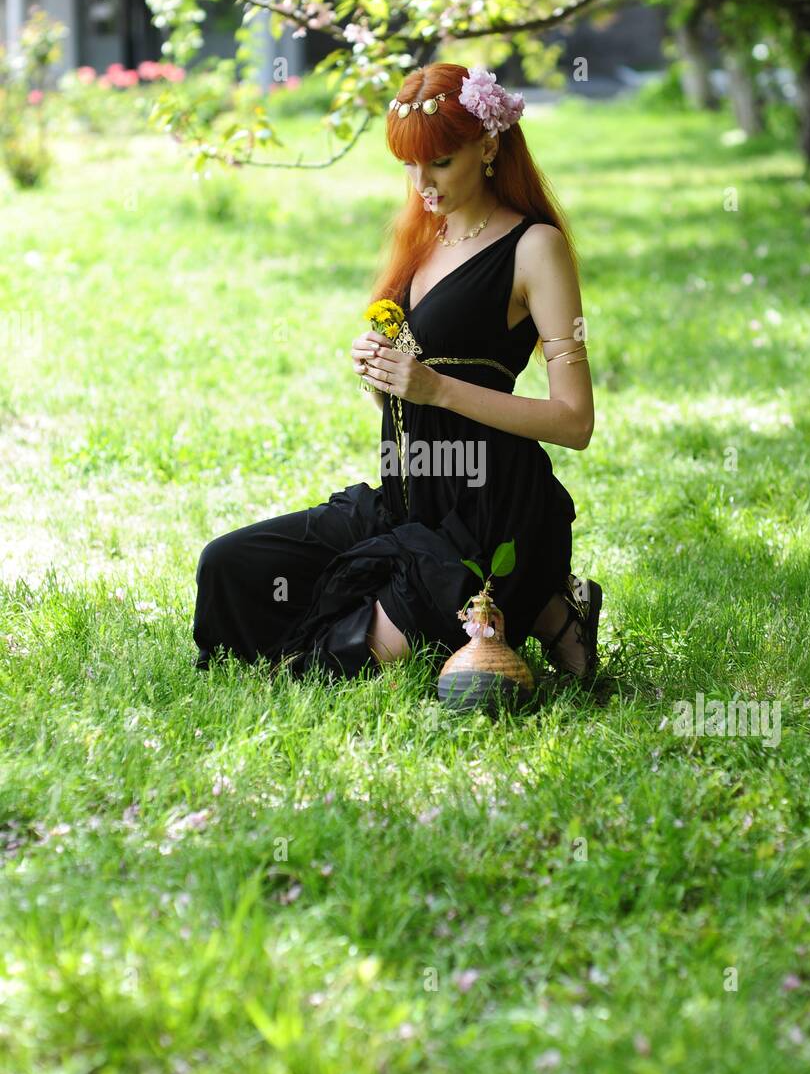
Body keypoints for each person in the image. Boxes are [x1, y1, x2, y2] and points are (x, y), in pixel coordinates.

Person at [192, 62, 602, 686]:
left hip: (489, 507)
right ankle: (550, 607)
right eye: (409, 165)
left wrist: (434, 386)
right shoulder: (425, 239)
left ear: (488, 145)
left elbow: (575, 422)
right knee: (229, 563)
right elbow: (413, 403)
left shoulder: (533, 247)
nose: (422, 182)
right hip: (408, 496)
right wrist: (382, 382)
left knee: (338, 661)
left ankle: (543, 601)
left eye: (439, 162)